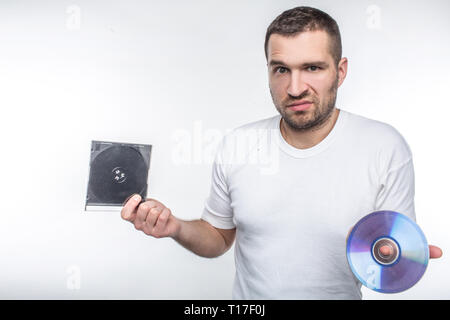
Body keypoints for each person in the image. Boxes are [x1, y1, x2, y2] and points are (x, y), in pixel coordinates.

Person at [121, 6, 442, 299]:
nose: (295, 88)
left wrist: (398, 256)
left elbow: (391, 248)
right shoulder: (238, 144)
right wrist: (175, 227)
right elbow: (217, 237)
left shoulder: (384, 146)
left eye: (312, 67)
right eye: (281, 70)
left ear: (340, 71)